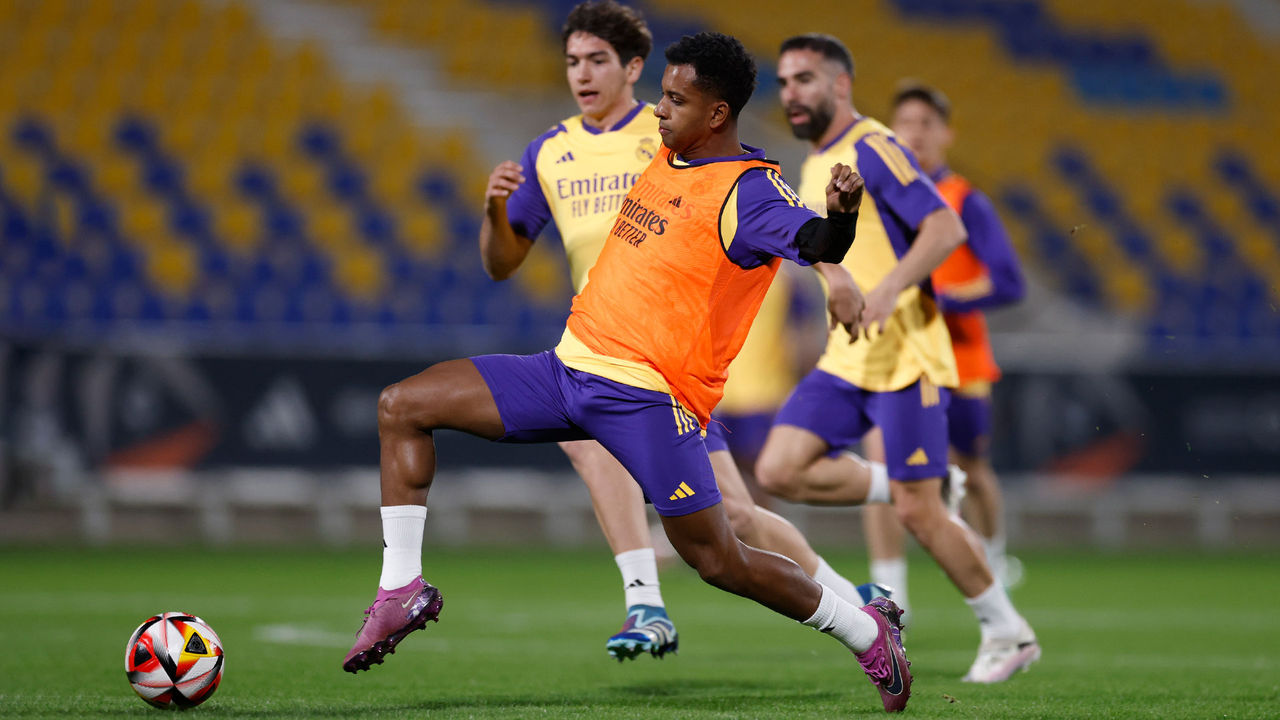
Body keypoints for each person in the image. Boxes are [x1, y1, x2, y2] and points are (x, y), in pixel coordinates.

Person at [347, 31, 913, 713]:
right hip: (565, 372)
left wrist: (841, 230)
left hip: (647, 400)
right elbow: (508, 253)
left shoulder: (749, 190)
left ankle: (864, 631)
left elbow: (815, 238)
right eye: (662, 95)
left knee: (719, 559)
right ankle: (401, 589)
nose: (659, 111)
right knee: (401, 406)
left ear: (718, 114)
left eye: (675, 100)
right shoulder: (666, 154)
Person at [479, 1, 880, 662]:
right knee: (591, 447)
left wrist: (833, 272)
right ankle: (647, 604)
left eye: (598, 60)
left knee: (738, 516)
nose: (582, 73)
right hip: (597, 348)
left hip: (668, 362)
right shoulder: (549, 151)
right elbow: (502, 263)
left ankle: (854, 603)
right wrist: (496, 211)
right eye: (572, 60)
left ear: (633, 68)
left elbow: (763, 210)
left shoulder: (671, 133)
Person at [755, 33, 1040, 684]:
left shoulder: (876, 147)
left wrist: (885, 288)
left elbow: (946, 228)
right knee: (780, 468)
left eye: (804, 80)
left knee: (917, 515)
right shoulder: (813, 162)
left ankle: (1007, 630)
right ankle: (922, 485)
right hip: (847, 356)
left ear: (840, 85)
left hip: (907, 353)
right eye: (784, 82)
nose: (791, 93)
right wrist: (838, 282)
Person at [859, 82, 1027, 609]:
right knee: (882, 468)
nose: (915, 133)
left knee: (972, 469)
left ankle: (994, 560)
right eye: (904, 123)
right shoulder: (875, 196)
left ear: (946, 133)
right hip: (896, 355)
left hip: (960, 358)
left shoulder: (965, 201)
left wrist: (935, 297)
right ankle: (891, 593)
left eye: (926, 123)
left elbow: (1008, 282)